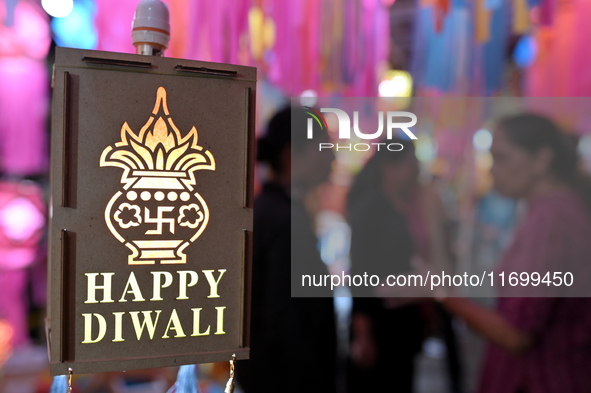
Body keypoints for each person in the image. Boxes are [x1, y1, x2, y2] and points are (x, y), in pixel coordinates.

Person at [440, 114, 591, 393]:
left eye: (501, 158)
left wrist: (441, 293)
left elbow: (517, 334)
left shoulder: (552, 219)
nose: (493, 170)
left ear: (541, 160)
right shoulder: (553, 210)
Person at [346, 140, 462, 393]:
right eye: (411, 164)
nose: (416, 171)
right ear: (389, 167)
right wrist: (362, 331)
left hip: (399, 319)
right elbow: (359, 272)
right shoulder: (372, 208)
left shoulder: (402, 206)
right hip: (382, 320)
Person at [237, 107, 337, 393]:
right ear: (291, 153)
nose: (332, 157)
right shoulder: (284, 221)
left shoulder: (269, 210)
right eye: (325, 147)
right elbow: (286, 328)